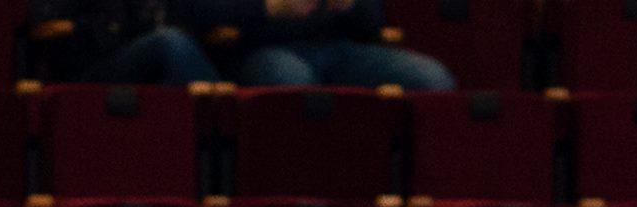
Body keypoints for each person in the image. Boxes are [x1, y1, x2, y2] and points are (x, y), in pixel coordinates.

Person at [169, 0, 454, 90]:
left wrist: (351, 5)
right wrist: (269, 8)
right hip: (260, 48)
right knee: (291, 80)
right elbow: (197, 11)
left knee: (432, 78)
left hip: (338, 47)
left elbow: (375, 21)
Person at [28, 2, 219, 84]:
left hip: (133, 53)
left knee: (176, 48)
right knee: (170, 41)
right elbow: (46, 19)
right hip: (89, 62)